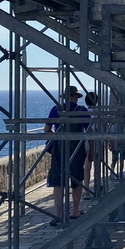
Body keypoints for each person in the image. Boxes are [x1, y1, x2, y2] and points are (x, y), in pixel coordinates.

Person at [45, 86, 93, 225]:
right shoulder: (81, 110)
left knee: (58, 182)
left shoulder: (56, 109)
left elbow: (47, 130)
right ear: (76, 97)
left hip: (59, 150)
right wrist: (91, 150)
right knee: (76, 180)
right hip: (77, 148)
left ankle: (58, 214)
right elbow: (89, 132)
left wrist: (57, 140)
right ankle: (76, 211)